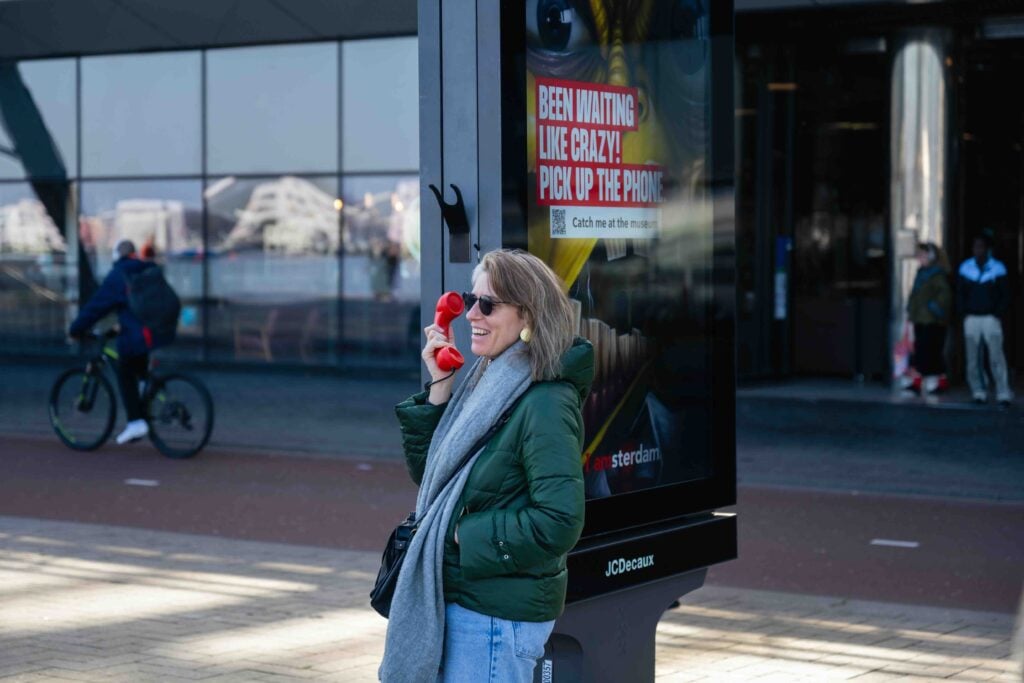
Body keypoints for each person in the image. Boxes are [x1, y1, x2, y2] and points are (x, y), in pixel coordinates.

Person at [379, 249, 594, 683]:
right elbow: (434, 480)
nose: (472, 313)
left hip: (495, 617)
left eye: (488, 304)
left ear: (528, 315)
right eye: (470, 298)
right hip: (465, 600)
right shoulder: (488, 378)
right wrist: (440, 386)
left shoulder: (545, 401)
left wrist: (462, 533)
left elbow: (560, 521)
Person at [68, 239, 157, 444]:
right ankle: (145, 392)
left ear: (117, 257)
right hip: (157, 331)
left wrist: (75, 329)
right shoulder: (147, 270)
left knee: (125, 372)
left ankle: (136, 423)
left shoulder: (119, 275)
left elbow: (96, 307)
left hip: (137, 335)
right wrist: (118, 327)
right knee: (139, 369)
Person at [958, 233, 1013, 406]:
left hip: (990, 318)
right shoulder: (966, 268)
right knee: (973, 358)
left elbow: (1006, 294)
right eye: (975, 247)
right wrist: (964, 312)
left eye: (981, 246)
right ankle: (978, 391)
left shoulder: (998, 268)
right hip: (972, 318)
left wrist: (998, 313)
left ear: (988, 249)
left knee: (996, 356)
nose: (978, 250)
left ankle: (1003, 392)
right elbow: (960, 294)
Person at [906, 242, 952, 395]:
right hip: (920, 319)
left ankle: (940, 381)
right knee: (920, 350)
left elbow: (944, 296)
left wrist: (934, 308)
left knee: (932, 351)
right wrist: (911, 313)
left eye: (923, 255)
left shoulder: (938, 274)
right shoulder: (921, 273)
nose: (920, 258)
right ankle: (918, 382)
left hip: (933, 321)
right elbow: (915, 295)